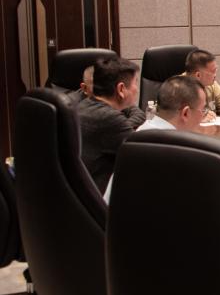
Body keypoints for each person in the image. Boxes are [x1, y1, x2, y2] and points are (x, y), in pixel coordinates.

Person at [104, 75, 207, 203]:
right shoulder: (182, 154)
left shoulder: (136, 136)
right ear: (185, 113)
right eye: (203, 110)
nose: (203, 116)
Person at [76, 57, 146, 193]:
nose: (137, 90)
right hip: (99, 198)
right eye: (135, 83)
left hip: (81, 193)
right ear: (121, 89)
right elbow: (142, 158)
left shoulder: (83, 105)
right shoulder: (110, 119)